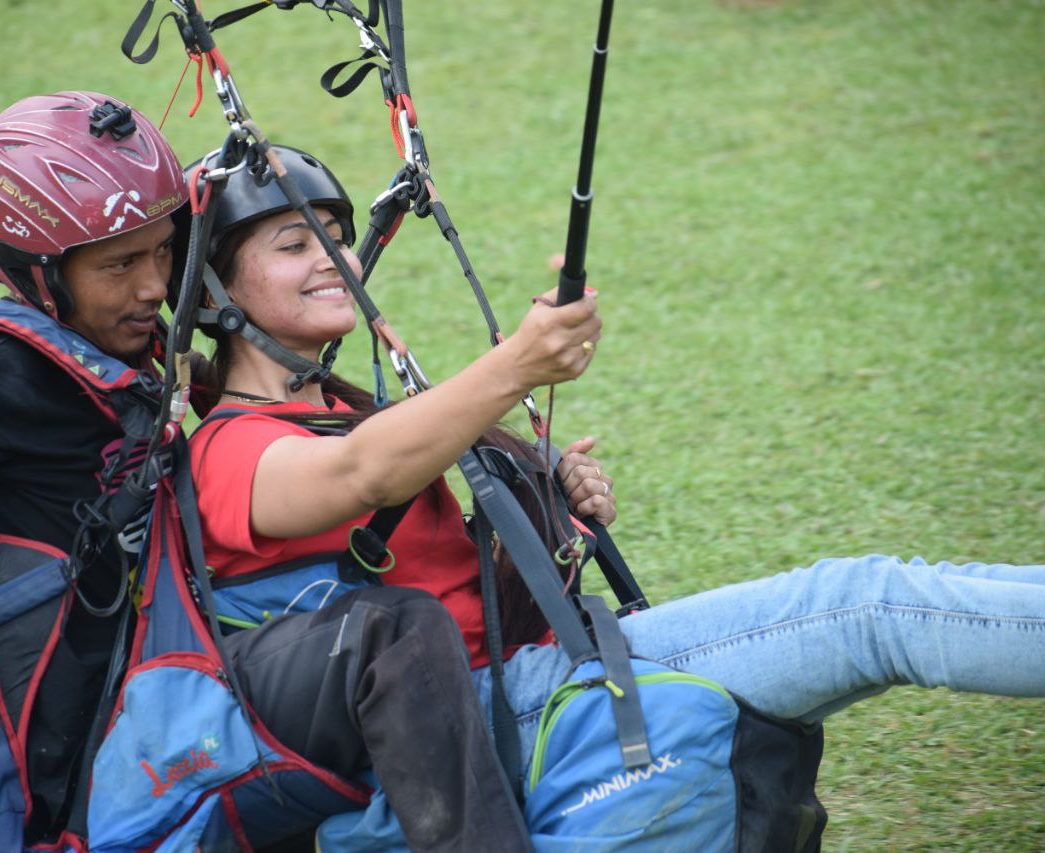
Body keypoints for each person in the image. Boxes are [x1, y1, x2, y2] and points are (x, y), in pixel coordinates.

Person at [0, 92, 532, 852]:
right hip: (60, 767)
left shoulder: (126, 358)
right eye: (119, 264)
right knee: (385, 631)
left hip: (164, 694)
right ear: (33, 275)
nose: (153, 286)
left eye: (163, 251)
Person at [187, 144, 1045, 802]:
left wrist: (549, 498)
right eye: (296, 244)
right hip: (480, 720)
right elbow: (362, 475)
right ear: (218, 295)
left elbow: (407, 493)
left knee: (892, 599)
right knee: (869, 606)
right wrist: (515, 367)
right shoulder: (227, 450)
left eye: (337, 238)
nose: (333, 257)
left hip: (537, 674)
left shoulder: (339, 404)